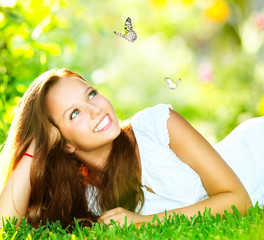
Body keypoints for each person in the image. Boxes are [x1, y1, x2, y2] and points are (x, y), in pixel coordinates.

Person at [0, 68, 262, 229]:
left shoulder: (157, 126)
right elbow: (5, 226)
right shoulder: (84, 195)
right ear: (62, 141)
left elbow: (238, 200)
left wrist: (144, 223)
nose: (96, 110)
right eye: (75, 113)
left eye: (91, 94)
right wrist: (35, 145)